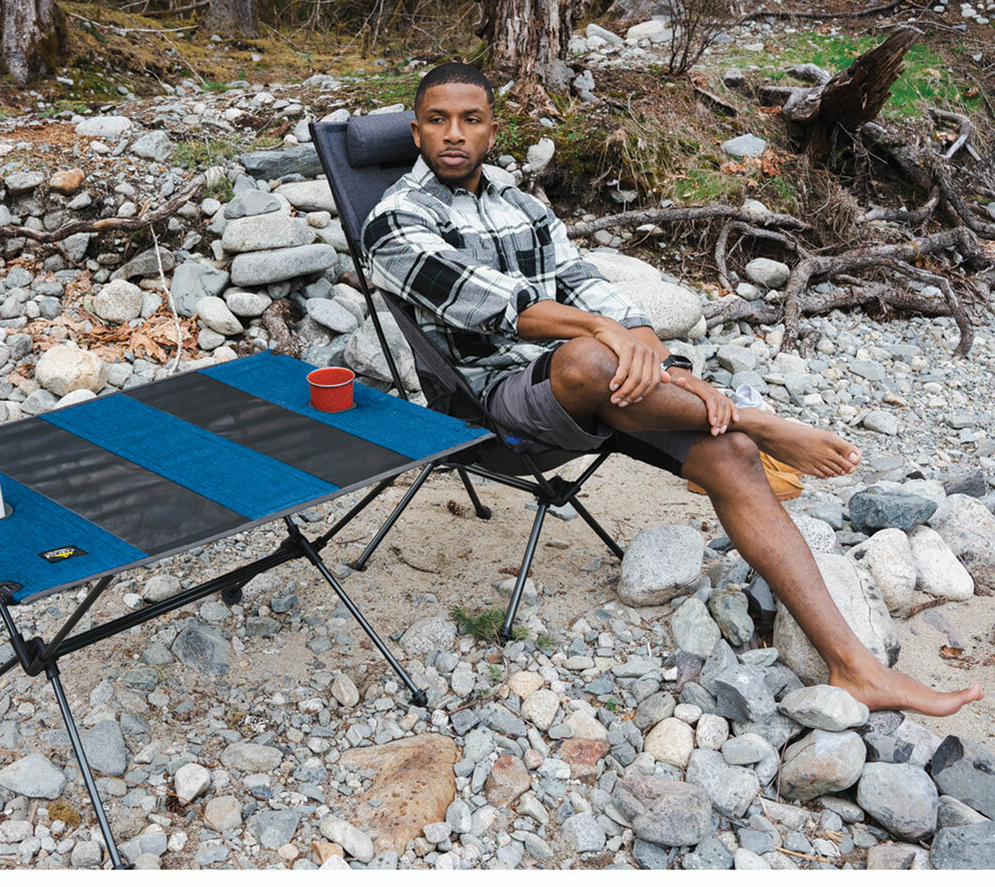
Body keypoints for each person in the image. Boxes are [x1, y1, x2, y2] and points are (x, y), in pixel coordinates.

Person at [362, 61, 983, 718]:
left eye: (470, 120)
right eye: (437, 120)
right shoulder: (393, 221)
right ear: (415, 130)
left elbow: (584, 281)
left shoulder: (519, 204)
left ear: (492, 130)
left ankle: (852, 665)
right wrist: (611, 335)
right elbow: (500, 305)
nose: (453, 134)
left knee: (729, 456)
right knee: (589, 363)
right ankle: (760, 421)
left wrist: (657, 355)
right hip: (492, 400)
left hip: (604, 378)